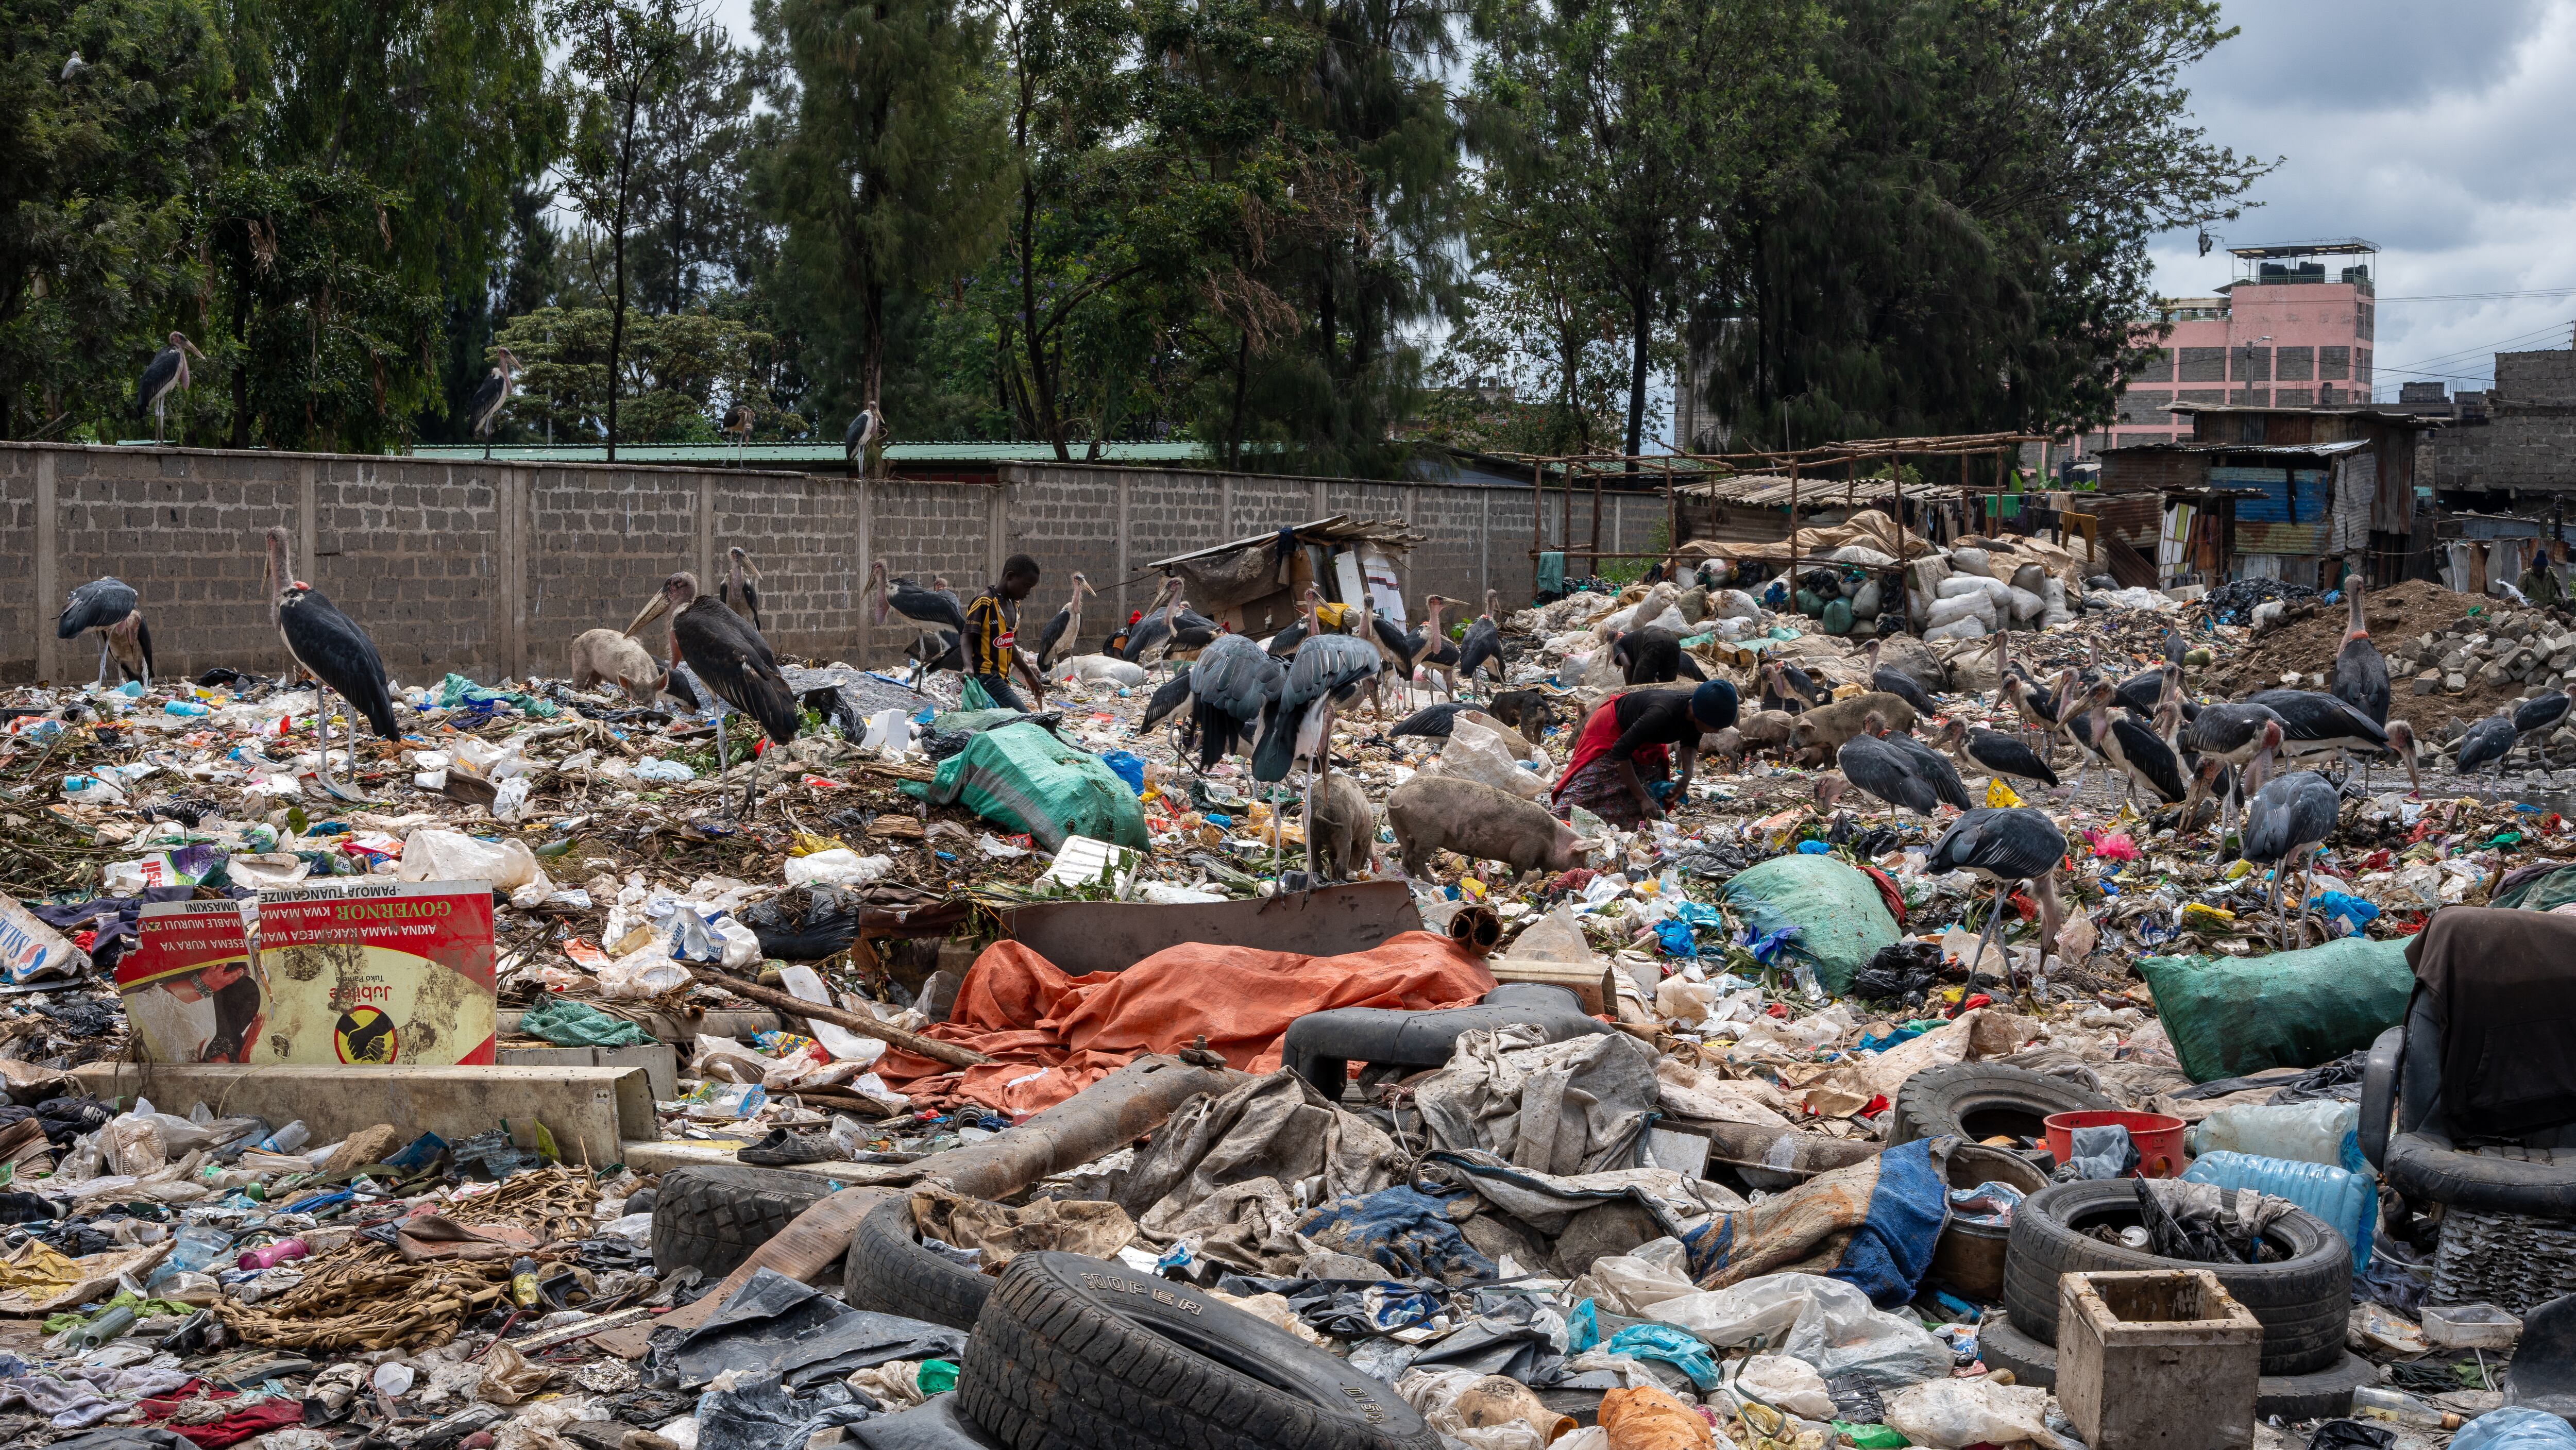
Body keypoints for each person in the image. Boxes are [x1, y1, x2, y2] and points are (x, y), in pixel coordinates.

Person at [1552, 680, 1738, 828]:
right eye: (1716, 727)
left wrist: (1686, 777)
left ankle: (1635, 824)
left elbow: (1690, 741)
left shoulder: (1696, 714)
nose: (1715, 732)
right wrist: (1642, 799)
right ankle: (1556, 822)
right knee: (1596, 783)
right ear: (1701, 716)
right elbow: (1620, 751)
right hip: (1611, 729)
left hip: (1645, 736)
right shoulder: (1662, 713)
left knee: (1652, 783)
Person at [963, 555, 1049, 710]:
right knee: (1026, 719)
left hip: (1002, 679)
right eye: (1026, 586)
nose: (1028, 592)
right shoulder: (985, 602)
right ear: (1010, 577)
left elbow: (1008, 644)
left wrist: (1028, 673)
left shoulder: (1015, 607)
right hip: (985, 676)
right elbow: (967, 637)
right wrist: (968, 666)